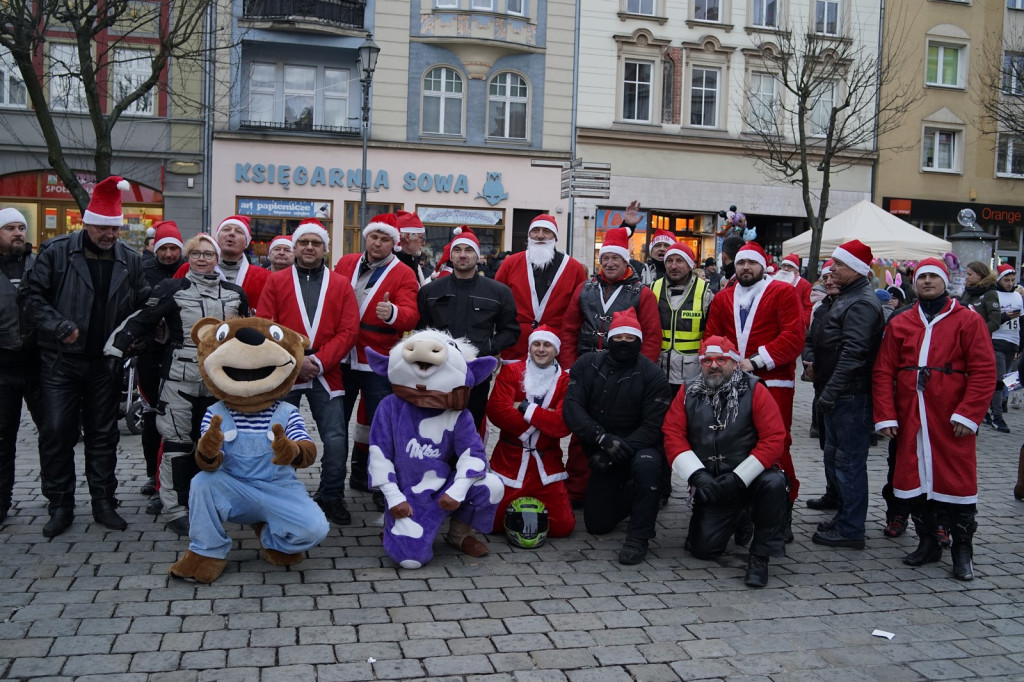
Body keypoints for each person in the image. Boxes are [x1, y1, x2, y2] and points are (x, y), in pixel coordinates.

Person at [20, 176, 150, 537]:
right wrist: (59, 325)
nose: (109, 235)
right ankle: (60, 504)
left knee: (103, 434)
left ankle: (103, 502)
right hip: (60, 360)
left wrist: (131, 340)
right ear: (86, 223)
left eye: (114, 229)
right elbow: (31, 298)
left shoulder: (130, 260)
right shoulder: (57, 251)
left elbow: (143, 306)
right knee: (58, 431)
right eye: (102, 228)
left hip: (105, 363)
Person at [106, 233, 249, 535]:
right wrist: (115, 350)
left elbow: (248, 332)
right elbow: (142, 320)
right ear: (188, 258)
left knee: (215, 446)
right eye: (195, 253)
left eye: (208, 253)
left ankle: (212, 502)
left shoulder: (235, 292)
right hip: (178, 381)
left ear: (217, 258)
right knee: (175, 444)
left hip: (218, 384)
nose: (201, 258)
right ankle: (174, 508)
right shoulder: (171, 288)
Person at [873, 258, 994, 580]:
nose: (927, 281)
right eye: (921, 277)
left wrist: (969, 414)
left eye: (933, 276)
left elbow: (984, 371)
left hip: (950, 416)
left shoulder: (968, 320)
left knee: (957, 481)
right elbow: (884, 370)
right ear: (914, 282)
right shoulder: (901, 321)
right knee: (914, 482)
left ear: (944, 281)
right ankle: (928, 542)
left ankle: (962, 550)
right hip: (911, 415)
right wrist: (885, 414)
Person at [663, 336, 788, 587]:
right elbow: (672, 434)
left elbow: (774, 438)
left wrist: (739, 478)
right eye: (707, 360)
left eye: (722, 359)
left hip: (750, 478)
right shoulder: (687, 391)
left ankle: (759, 557)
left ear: (734, 362)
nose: (714, 365)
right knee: (703, 550)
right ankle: (738, 517)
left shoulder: (755, 389)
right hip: (713, 481)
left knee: (775, 482)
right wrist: (697, 476)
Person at [258, 218, 360, 526]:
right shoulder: (275, 281)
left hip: (326, 371)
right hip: (284, 369)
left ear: (325, 249)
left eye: (316, 243)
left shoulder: (340, 284)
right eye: (304, 242)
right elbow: (265, 325)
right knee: (275, 435)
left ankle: (331, 494)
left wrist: (320, 362)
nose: (310, 248)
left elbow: (349, 330)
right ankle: (279, 493)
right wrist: (295, 360)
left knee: (336, 436)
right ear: (295, 247)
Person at [559, 226, 661, 505]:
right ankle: (577, 489)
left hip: (626, 374)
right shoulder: (585, 288)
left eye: (616, 258)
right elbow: (569, 329)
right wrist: (569, 366)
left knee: (620, 428)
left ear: (626, 261)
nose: (610, 263)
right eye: (605, 259)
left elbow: (652, 337)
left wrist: (642, 373)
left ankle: (618, 487)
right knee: (582, 432)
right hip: (587, 370)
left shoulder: (642, 293)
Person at [704, 241, 805, 522]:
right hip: (731, 382)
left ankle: (782, 507)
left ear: (763, 265)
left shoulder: (782, 292)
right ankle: (741, 506)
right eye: (740, 263)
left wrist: (756, 361)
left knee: (775, 443)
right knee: (735, 441)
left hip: (773, 383)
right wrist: (727, 363)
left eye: (751, 262)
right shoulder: (724, 297)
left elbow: (793, 336)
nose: (745, 268)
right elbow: (713, 336)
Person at [562, 309, 671, 565]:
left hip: (641, 446)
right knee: (597, 525)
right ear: (608, 339)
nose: (623, 342)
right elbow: (573, 409)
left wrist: (619, 449)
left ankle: (639, 536)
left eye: (630, 338)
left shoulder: (653, 375)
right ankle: (632, 495)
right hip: (601, 446)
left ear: (639, 342)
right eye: (618, 337)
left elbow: (654, 425)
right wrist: (602, 439)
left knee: (647, 467)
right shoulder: (586, 365)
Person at [332, 213, 419, 502]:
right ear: (366, 237)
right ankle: (339, 484)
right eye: (374, 237)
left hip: (376, 360)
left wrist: (392, 313)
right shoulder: (346, 263)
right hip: (341, 358)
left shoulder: (403, 272)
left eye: (384, 239)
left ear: (394, 244)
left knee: (382, 427)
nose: (377, 243)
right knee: (336, 426)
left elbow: (411, 314)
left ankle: (384, 486)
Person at [808, 239, 884, 549]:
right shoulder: (848, 297)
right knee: (837, 458)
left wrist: (831, 391)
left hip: (850, 396)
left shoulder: (862, 303)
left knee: (850, 464)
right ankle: (845, 517)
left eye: (838, 264)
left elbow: (854, 354)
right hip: (839, 393)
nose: (833, 269)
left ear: (855, 268)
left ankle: (852, 529)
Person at [417, 226, 519, 429]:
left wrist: (488, 347)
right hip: (438, 371)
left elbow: (511, 331)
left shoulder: (498, 292)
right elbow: (421, 330)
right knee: (435, 426)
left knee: (470, 426)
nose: (463, 255)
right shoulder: (430, 291)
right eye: (458, 250)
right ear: (450, 255)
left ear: (478, 255)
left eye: (468, 250)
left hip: (476, 373)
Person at [486, 326, 574, 538]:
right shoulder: (511, 371)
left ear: (556, 350)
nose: (541, 349)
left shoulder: (566, 381)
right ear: (529, 347)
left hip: (547, 465)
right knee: (493, 525)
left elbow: (562, 425)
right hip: (510, 460)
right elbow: (496, 411)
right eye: (536, 344)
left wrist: (524, 407)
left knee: (563, 527)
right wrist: (546, 416)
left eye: (547, 345)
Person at [135, 221, 185, 503]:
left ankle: (175, 475)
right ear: (155, 249)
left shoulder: (188, 269)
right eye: (163, 248)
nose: (168, 254)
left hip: (178, 354)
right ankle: (151, 474)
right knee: (153, 416)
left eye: (173, 248)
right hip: (151, 354)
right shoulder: (143, 272)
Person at [494, 214, 587, 363]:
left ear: (555, 237)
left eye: (546, 231)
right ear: (529, 235)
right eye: (535, 231)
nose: (540, 236)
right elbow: (495, 302)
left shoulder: (574, 268)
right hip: (516, 345)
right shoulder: (510, 264)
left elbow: (582, 310)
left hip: (556, 347)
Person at [0, 208, 42, 524]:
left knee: (54, 434)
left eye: (21, 227)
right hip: (3, 367)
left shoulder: (38, 265)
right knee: (3, 438)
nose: (17, 233)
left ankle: (59, 499)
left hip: (40, 365)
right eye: (10, 228)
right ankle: (2, 503)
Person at [651, 241, 714, 395]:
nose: (673, 266)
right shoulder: (652, 288)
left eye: (679, 261)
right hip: (659, 373)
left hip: (692, 375)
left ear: (690, 265)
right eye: (670, 261)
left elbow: (713, 334)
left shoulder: (705, 293)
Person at [175, 215, 269, 309]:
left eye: (239, 231)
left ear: (246, 243)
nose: (231, 233)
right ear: (217, 237)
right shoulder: (189, 269)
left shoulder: (263, 277)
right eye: (226, 229)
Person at [986, 264, 1021, 434]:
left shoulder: (1018, 296)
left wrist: (1021, 344)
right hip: (996, 340)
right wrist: (1004, 316)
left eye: (1012, 280)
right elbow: (988, 319)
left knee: (1008, 378)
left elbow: (1021, 322)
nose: (1009, 283)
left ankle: (995, 406)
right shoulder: (993, 295)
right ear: (999, 279)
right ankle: (996, 415)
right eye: (1006, 280)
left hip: (1012, 341)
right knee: (998, 379)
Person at [395, 210, 431, 286]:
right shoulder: (394, 265)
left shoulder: (411, 261)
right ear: (407, 237)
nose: (423, 244)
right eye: (421, 238)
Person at [777, 253, 813, 326]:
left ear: (796, 270)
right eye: (784, 266)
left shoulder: (805, 285)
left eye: (790, 266)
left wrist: (801, 324)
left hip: (794, 324)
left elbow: (808, 308)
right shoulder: (774, 282)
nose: (786, 269)